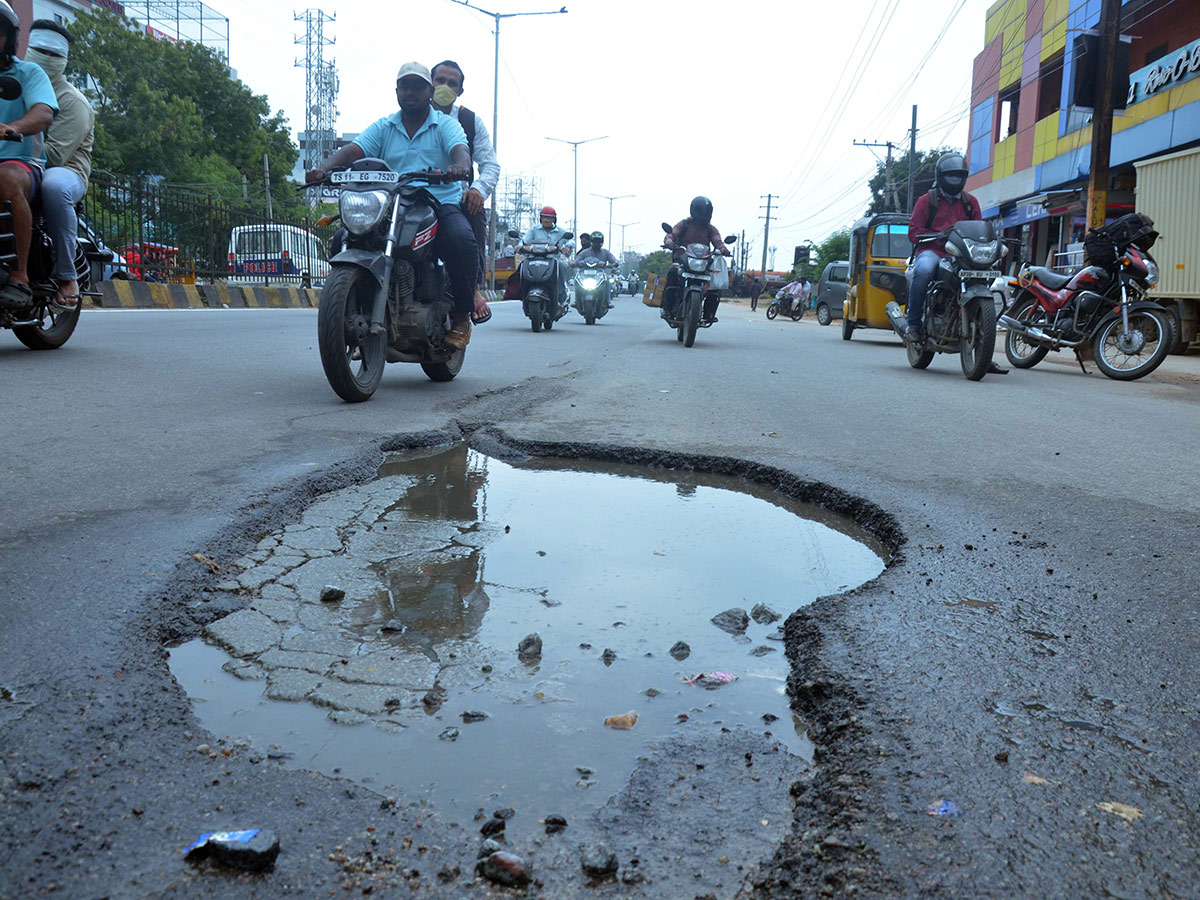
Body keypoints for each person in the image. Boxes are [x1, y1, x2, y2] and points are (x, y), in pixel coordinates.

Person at [306, 61, 477, 350]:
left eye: (418, 86)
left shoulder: (445, 124)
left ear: (429, 90)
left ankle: (462, 315)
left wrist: (461, 166)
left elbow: (460, 150)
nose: (410, 92)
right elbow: (354, 150)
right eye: (405, 86)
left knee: (461, 240)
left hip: (437, 201)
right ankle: (357, 307)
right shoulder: (385, 126)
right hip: (392, 201)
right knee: (340, 241)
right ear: (397, 91)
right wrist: (325, 168)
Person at [25, 19, 92, 310]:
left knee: (53, 187)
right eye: (40, 50)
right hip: (18, 162)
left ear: (64, 60)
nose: (46, 59)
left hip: (65, 171)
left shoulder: (73, 102)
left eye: (54, 55)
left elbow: (54, 156)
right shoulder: (13, 85)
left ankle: (67, 276)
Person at [430, 59, 498, 325]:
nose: (445, 87)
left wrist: (479, 189)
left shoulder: (469, 121)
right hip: (411, 196)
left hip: (454, 198)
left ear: (460, 90)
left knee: (473, 207)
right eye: (440, 81)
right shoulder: (408, 117)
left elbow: (489, 163)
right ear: (429, 83)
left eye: (452, 83)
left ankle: (472, 285)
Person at [0, 0, 58, 311]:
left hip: (21, 163)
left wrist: (11, 127)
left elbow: (43, 112)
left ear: (9, 38)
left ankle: (20, 274)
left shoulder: (28, 73)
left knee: (5, 179)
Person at [904, 152, 981, 344]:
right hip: (933, 251)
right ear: (941, 175)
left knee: (985, 277)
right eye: (950, 175)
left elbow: (979, 229)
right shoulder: (926, 201)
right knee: (923, 272)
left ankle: (982, 343)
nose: (955, 179)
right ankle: (913, 324)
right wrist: (934, 237)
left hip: (962, 255)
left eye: (959, 175)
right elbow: (913, 233)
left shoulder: (971, 203)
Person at [663, 196, 731, 323]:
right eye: (701, 210)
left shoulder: (710, 229)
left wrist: (723, 249)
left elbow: (717, 240)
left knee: (715, 282)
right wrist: (669, 240)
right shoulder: (684, 224)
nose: (703, 214)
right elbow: (673, 233)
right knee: (672, 272)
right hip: (682, 261)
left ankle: (709, 313)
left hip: (703, 263)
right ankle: (669, 307)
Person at [519, 205, 571, 304]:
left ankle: (561, 292)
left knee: (561, 266)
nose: (546, 220)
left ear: (554, 219)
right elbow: (525, 240)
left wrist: (567, 247)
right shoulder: (534, 229)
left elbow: (571, 240)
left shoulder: (560, 231)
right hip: (534, 258)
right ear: (540, 218)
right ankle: (522, 292)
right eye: (544, 217)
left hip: (553, 260)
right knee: (522, 266)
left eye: (549, 218)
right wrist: (519, 246)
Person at [573, 230, 619, 309]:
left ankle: (608, 302)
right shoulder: (585, 252)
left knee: (608, 280)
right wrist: (574, 263)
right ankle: (576, 300)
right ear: (591, 241)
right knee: (576, 279)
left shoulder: (605, 252)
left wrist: (614, 264)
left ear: (602, 242)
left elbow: (614, 260)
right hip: (584, 273)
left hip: (600, 273)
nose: (596, 243)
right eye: (595, 241)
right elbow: (577, 259)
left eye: (598, 241)